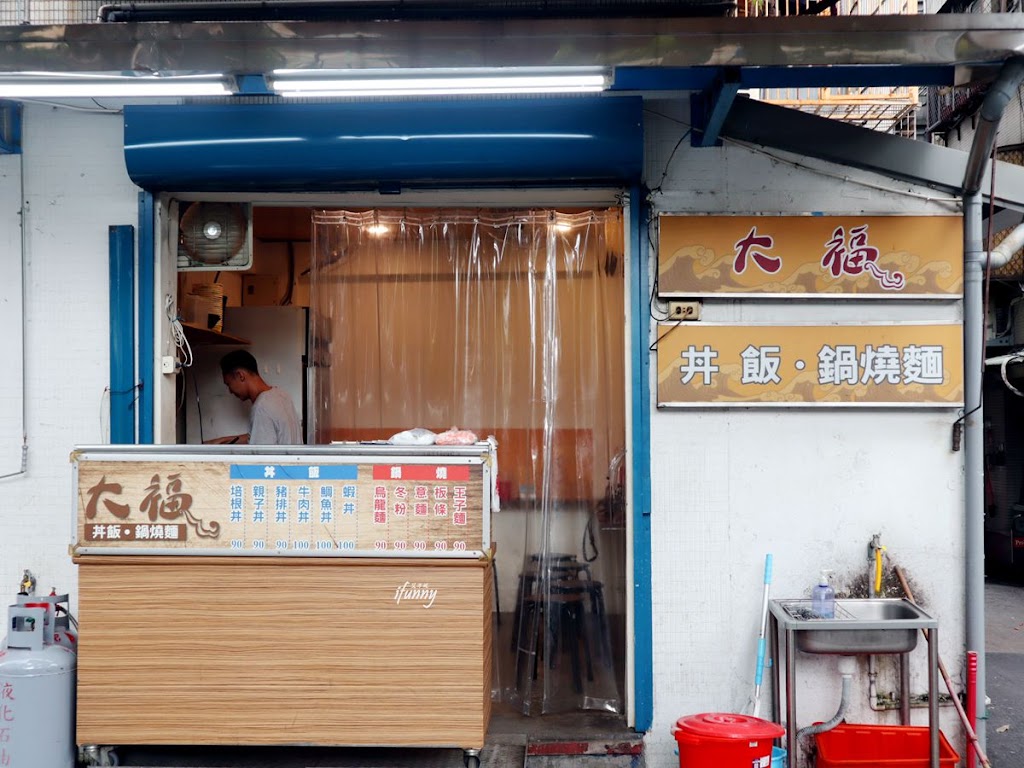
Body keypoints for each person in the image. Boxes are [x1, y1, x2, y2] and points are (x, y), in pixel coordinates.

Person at [207, 349, 302, 445]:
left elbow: (261, 457)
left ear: (240, 375)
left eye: (228, 384)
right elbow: (261, 435)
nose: (230, 391)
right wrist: (222, 441)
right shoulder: (281, 395)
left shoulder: (261, 408)